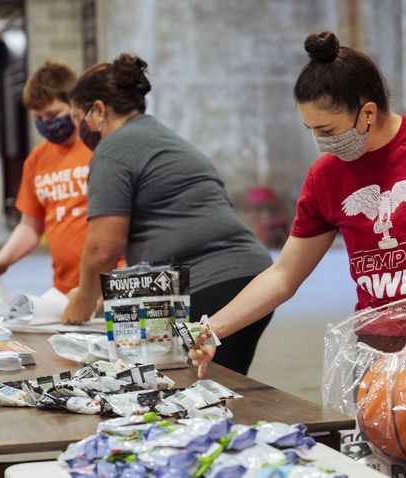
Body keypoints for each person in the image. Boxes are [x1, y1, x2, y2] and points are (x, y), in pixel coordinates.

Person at [190, 31, 406, 376]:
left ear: (368, 113)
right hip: (378, 348)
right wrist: (212, 330)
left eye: (327, 130)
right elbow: (283, 276)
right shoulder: (325, 177)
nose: (319, 141)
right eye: (310, 129)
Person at [60, 53, 274, 376]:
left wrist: (84, 297)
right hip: (250, 278)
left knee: (192, 390)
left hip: (207, 286)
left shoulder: (112, 150)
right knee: (217, 385)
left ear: (100, 109)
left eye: (80, 117)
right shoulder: (160, 137)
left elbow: (104, 246)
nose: (80, 129)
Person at [0, 61, 93, 295]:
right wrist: (4, 258)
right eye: (38, 117)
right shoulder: (37, 160)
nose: (46, 123)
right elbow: (31, 225)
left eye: (53, 114)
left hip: (109, 283)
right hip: (65, 287)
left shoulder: (99, 148)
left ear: (74, 106)